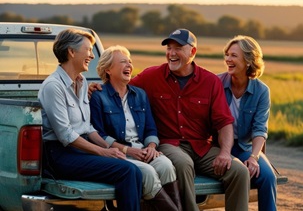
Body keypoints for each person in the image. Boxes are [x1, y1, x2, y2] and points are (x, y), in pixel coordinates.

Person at [89, 29, 251, 211]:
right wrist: (95, 87)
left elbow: (224, 123)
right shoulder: (151, 76)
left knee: (239, 172)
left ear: (193, 52)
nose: (171, 53)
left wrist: (224, 152)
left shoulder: (210, 81)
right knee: (182, 164)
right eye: (169, 48)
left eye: (178, 48)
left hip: (202, 147)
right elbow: (119, 87)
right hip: (170, 145)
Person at [38, 29, 142, 211]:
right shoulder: (53, 86)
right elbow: (66, 135)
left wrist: (109, 148)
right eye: (88, 50)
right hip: (59, 155)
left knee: (133, 169)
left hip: (79, 149)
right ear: (71, 52)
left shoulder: (82, 82)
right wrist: (102, 153)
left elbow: (87, 127)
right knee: (127, 170)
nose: (92, 56)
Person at [89, 45, 182, 211]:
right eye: (123, 62)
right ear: (108, 69)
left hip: (143, 150)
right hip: (117, 154)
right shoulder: (98, 96)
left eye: (130, 62)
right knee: (148, 173)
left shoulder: (140, 94)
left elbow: (151, 129)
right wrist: (128, 151)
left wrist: (152, 147)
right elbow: (99, 135)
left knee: (166, 166)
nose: (129, 65)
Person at [219, 35, 277, 211]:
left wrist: (254, 157)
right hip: (217, 146)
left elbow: (260, 129)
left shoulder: (261, 91)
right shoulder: (216, 83)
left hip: (243, 147)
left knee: (267, 177)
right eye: (227, 55)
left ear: (249, 60)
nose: (228, 59)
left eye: (234, 56)